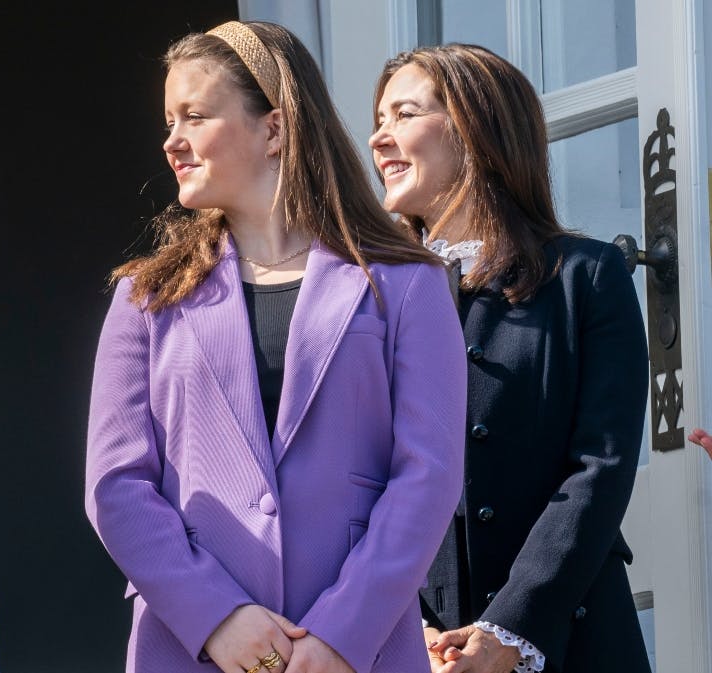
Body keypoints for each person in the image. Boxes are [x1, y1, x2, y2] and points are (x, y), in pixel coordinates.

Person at [86, 20, 466, 673]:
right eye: (169, 120)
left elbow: (427, 475)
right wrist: (218, 618)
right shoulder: (144, 299)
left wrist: (343, 634)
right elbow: (115, 486)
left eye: (195, 115)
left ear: (274, 128)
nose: (171, 140)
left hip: (360, 653)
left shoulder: (407, 285)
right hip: (190, 649)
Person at [370, 44, 650, 673]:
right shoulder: (369, 301)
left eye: (403, 115)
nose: (377, 139)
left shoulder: (587, 277)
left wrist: (512, 629)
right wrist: (394, 625)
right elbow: (354, 480)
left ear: (475, 128)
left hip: (571, 639)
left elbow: (599, 469)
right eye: (379, 120)